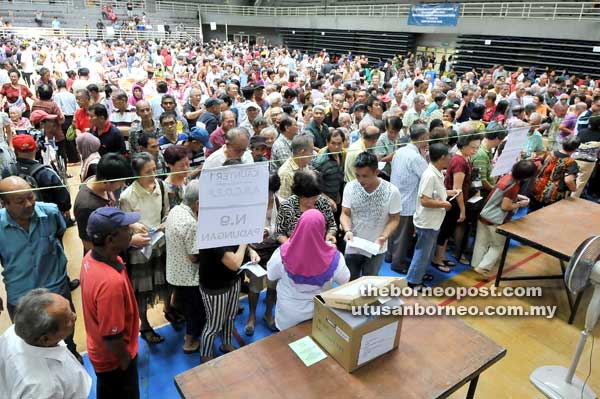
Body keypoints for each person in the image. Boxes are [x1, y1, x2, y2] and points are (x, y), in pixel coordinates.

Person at [0, 176, 81, 361]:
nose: (29, 204)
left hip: (56, 289)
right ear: (4, 203)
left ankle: (72, 352)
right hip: (20, 294)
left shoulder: (51, 213)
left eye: (31, 197)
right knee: (29, 341)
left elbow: (60, 235)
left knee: (66, 330)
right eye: (20, 201)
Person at [80, 207, 141, 399]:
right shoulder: (109, 284)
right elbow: (112, 336)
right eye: (126, 228)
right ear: (110, 240)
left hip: (99, 351)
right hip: (114, 360)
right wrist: (125, 361)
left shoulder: (90, 258)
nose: (130, 230)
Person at [197, 200, 260, 361]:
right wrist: (245, 242)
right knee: (214, 324)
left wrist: (250, 250)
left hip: (233, 279)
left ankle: (226, 343)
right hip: (215, 284)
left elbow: (238, 246)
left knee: (230, 315)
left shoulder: (232, 223)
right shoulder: (212, 231)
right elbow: (234, 263)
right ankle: (206, 355)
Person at [0, 289, 91, 399]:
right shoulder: (42, 389)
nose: (75, 316)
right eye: (68, 319)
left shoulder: (14, 332)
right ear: (45, 339)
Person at [267, 209, 350, 330]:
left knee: (286, 344)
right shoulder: (334, 256)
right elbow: (345, 279)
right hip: (319, 313)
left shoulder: (282, 253)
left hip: (289, 315)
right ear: (323, 229)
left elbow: (271, 276)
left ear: (298, 226)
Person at [119, 152, 170, 344]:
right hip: (140, 251)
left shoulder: (162, 186)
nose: (153, 174)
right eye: (148, 171)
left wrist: (164, 224)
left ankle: (168, 309)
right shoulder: (127, 196)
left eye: (154, 169)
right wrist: (134, 230)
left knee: (164, 283)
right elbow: (125, 225)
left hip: (160, 243)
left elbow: (165, 212)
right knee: (142, 291)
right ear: (136, 174)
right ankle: (145, 326)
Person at [340, 152, 401, 280]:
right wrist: (348, 230)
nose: (360, 180)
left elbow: (394, 219)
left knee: (370, 281)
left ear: (377, 172)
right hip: (354, 245)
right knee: (350, 280)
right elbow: (345, 213)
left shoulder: (392, 191)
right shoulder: (350, 187)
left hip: (376, 247)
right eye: (357, 175)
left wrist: (383, 237)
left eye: (365, 176)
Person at [472, 160, 537, 277]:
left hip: (484, 213)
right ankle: (483, 267)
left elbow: (500, 194)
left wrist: (517, 196)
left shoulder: (506, 177)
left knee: (481, 241)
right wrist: (520, 204)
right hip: (495, 219)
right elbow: (505, 206)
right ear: (527, 176)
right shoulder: (514, 186)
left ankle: (476, 264)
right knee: (497, 245)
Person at [405, 144, 455, 289]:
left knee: (426, 253)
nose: (450, 158)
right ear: (442, 158)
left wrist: (448, 193)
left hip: (433, 221)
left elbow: (434, 193)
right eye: (448, 156)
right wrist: (443, 204)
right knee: (422, 253)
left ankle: (419, 275)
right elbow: (425, 200)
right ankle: (414, 281)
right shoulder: (429, 175)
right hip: (427, 222)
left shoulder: (437, 172)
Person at [165, 180, 206, 353]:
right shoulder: (191, 224)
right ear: (197, 203)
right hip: (189, 277)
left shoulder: (175, 210)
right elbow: (194, 257)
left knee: (187, 307)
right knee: (195, 312)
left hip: (174, 270)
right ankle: (189, 342)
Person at [432, 132, 482, 270]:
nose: (475, 150)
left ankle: (441, 256)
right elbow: (457, 189)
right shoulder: (459, 162)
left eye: (477, 147)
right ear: (464, 145)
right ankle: (438, 258)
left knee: (448, 231)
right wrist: (462, 209)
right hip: (453, 201)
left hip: (456, 200)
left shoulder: (465, 158)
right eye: (473, 147)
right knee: (446, 230)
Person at [388, 123, 429, 274]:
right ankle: (397, 263)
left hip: (395, 197)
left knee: (393, 231)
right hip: (408, 201)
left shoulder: (400, 151)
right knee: (403, 236)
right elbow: (426, 176)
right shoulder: (416, 158)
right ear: (423, 138)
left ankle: (389, 256)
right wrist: (424, 158)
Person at [244, 173, 281, 335]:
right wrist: (250, 250)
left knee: (273, 286)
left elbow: (286, 230)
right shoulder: (249, 205)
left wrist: (274, 234)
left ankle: (268, 314)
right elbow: (241, 234)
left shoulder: (282, 204)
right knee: (254, 286)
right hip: (255, 250)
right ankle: (251, 317)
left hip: (274, 249)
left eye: (269, 192)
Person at [4, 135, 72, 221]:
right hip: (45, 220)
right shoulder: (47, 172)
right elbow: (63, 199)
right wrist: (65, 210)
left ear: (15, 151)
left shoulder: (7, 171)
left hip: (16, 220)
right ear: (36, 149)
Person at [531, 135, 580, 210]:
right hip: (553, 194)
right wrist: (574, 189)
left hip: (537, 187)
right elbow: (568, 180)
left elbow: (539, 168)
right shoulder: (571, 162)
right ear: (575, 149)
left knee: (532, 211)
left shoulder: (549, 154)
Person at [572, 112, 600, 198]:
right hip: (588, 162)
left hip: (575, 158)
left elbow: (574, 144)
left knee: (571, 178)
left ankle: (565, 196)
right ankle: (573, 199)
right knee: (580, 183)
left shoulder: (581, 131)